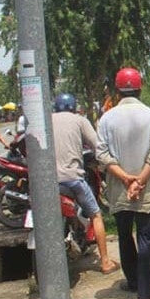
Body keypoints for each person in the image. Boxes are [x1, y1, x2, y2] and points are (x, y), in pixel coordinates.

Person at [96, 68, 150, 299]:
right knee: (147, 238)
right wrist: (140, 181)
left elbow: (102, 154)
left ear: (117, 90)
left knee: (125, 236)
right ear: (140, 88)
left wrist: (126, 180)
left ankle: (133, 281)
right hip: (146, 191)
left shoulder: (106, 119)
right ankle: (144, 295)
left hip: (119, 190)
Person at [52, 92, 119, 275]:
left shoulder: (45, 120)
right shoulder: (80, 120)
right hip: (72, 179)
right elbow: (97, 146)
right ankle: (105, 262)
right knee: (96, 214)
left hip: (47, 182)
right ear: (74, 107)